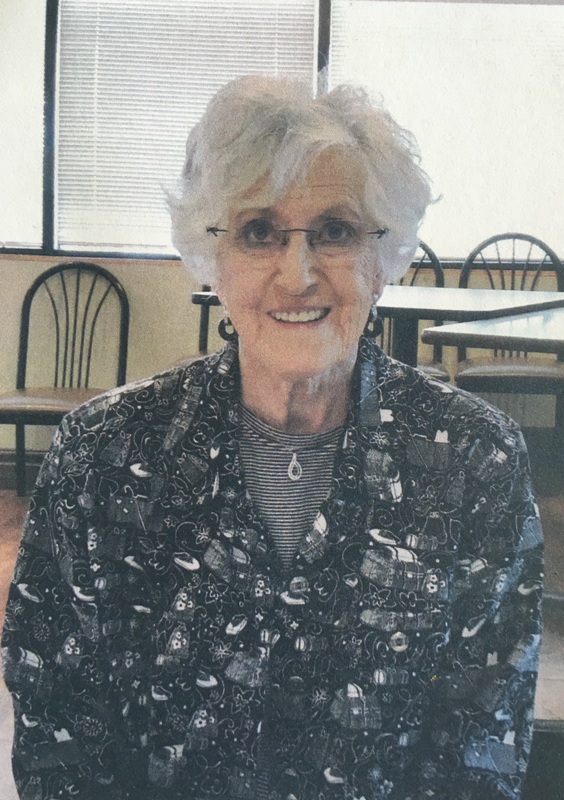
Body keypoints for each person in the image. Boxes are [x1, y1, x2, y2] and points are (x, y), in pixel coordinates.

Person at [2, 75, 542, 800]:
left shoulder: (475, 462)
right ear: (212, 260)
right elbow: (59, 740)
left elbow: (478, 754)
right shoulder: (102, 457)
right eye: (259, 232)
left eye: (336, 231)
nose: (298, 273)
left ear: (384, 260)